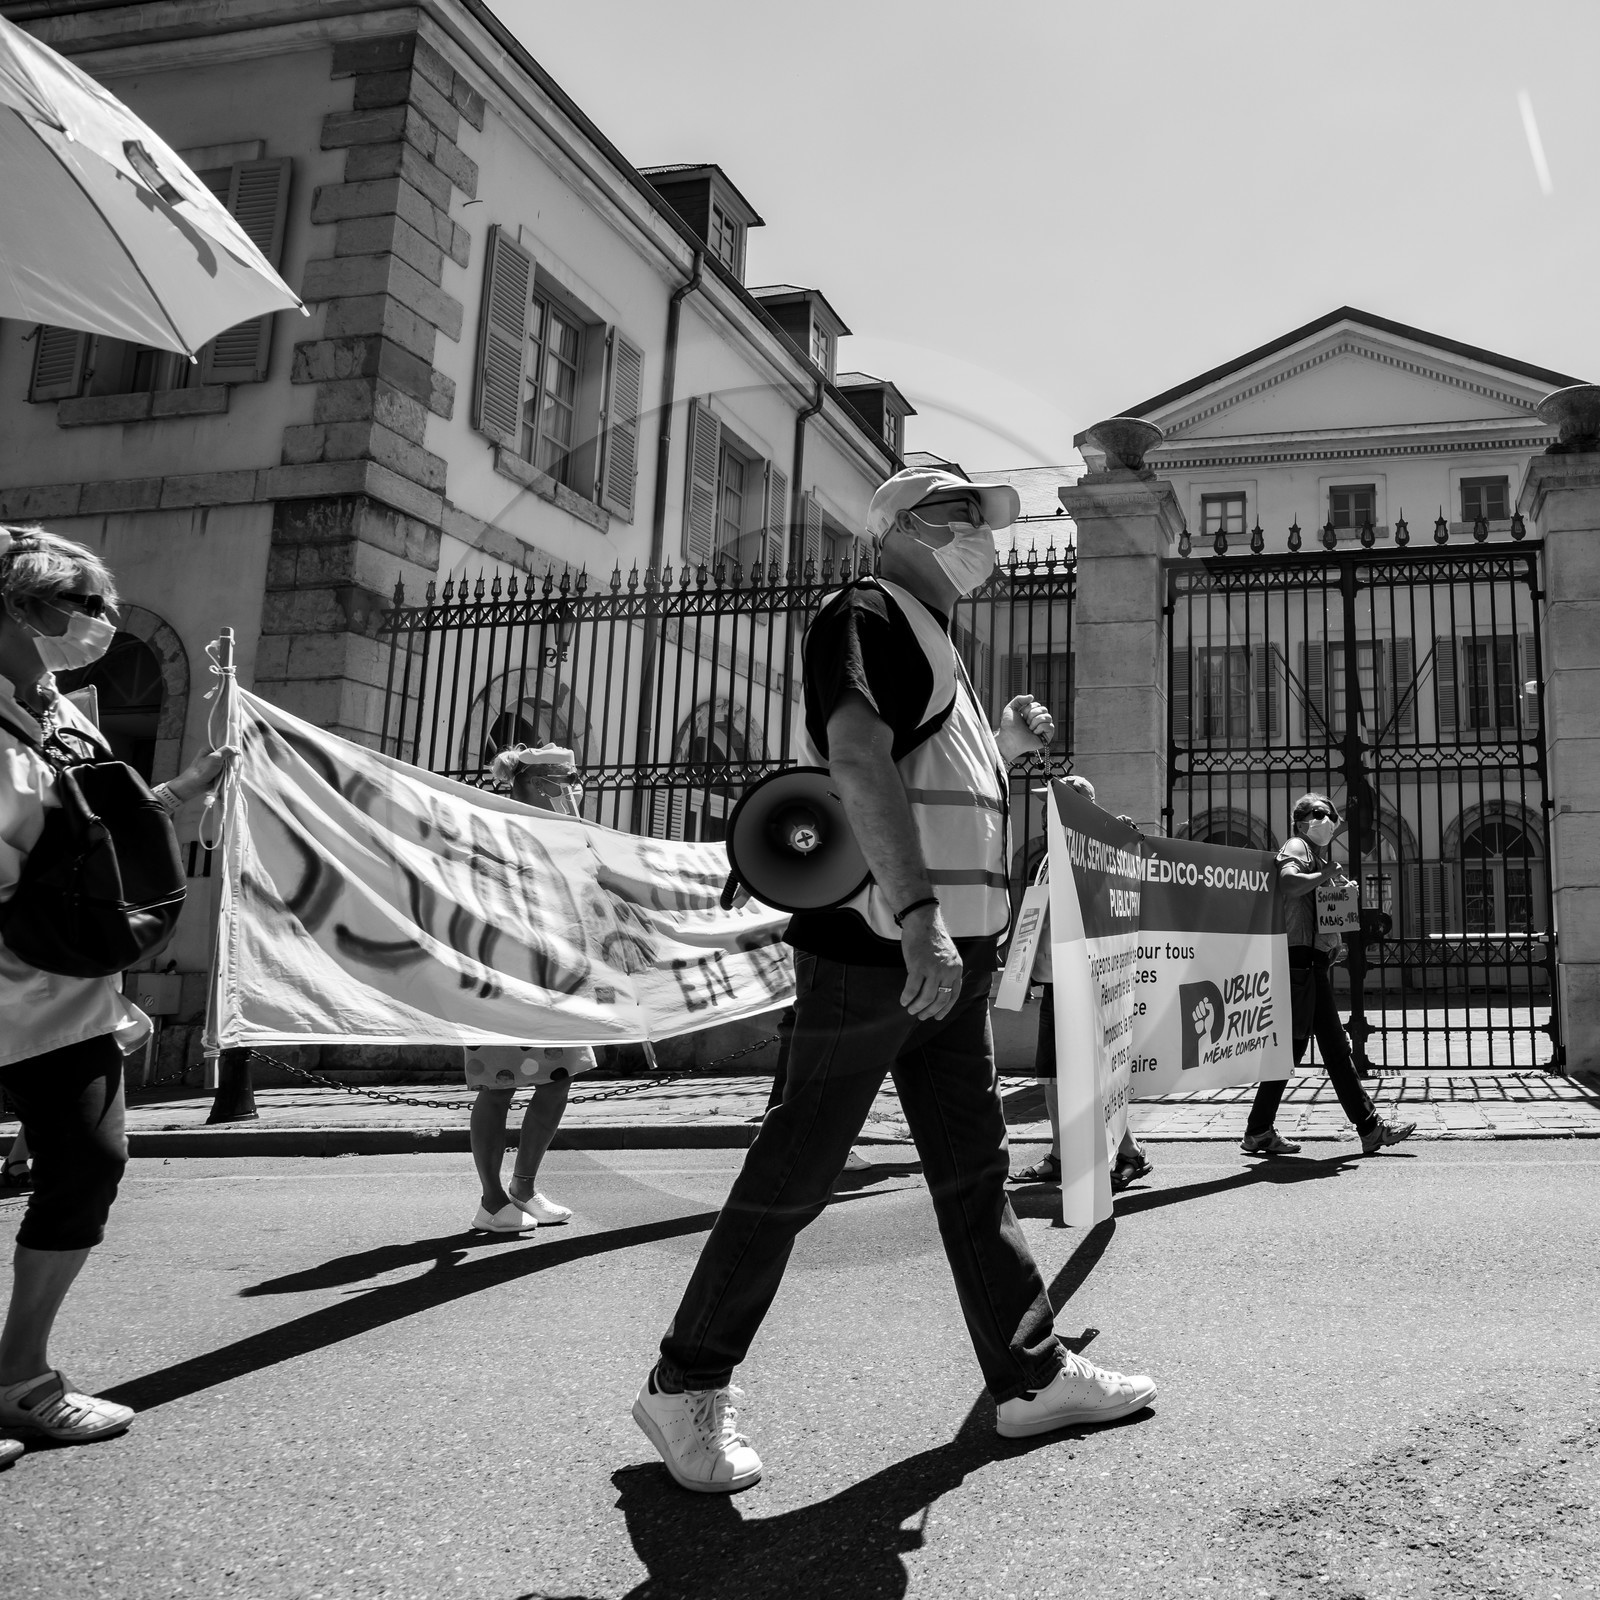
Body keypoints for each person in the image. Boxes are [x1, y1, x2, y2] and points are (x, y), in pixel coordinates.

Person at [632, 466, 1156, 1495]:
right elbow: (857, 756)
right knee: (795, 1172)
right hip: (883, 951)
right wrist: (920, 921)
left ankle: (1029, 1374)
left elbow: (930, 780)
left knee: (973, 1175)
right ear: (903, 527)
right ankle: (683, 1382)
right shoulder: (866, 609)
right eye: (961, 516)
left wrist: (1000, 764)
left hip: (938, 964)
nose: (981, 535)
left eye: (982, 519)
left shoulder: (933, 642)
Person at [0, 525, 229, 1449]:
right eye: (83, 604)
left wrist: (186, 791)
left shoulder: (59, 709)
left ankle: (19, 1375)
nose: (101, 622)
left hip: (65, 985)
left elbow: (106, 824)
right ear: (20, 606)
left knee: (90, 1162)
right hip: (21, 971)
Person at [463, 743, 597, 1233]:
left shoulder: (564, 836)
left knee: (558, 1078)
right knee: (497, 1088)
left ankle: (523, 1186)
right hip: (500, 980)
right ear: (541, 786)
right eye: (569, 783)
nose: (575, 791)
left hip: (555, 977)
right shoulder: (493, 829)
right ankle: (492, 1200)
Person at [1240, 792, 1416, 1157]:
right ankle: (1369, 1128)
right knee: (1332, 1049)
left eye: (1331, 816)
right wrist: (1328, 874)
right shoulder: (1297, 846)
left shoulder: (1316, 855)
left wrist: (1340, 893)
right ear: (1302, 819)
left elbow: (1319, 906)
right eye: (1321, 814)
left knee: (1299, 1047)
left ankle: (1259, 1130)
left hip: (1310, 959)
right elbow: (1288, 883)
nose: (1328, 820)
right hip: (1301, 959)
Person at [1008, 777, 1152, 1192]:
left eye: (1054, 802)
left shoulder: (1099, 851)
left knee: (1098, 1077)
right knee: (1051, 1077)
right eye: (1043, 802)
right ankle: (1061, 1154)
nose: (1043, 809)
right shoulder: (1047, 857)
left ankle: (1129, 1152)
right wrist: (1025, 972)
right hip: (1055, 982)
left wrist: (1117, 837)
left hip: (1090, 983)